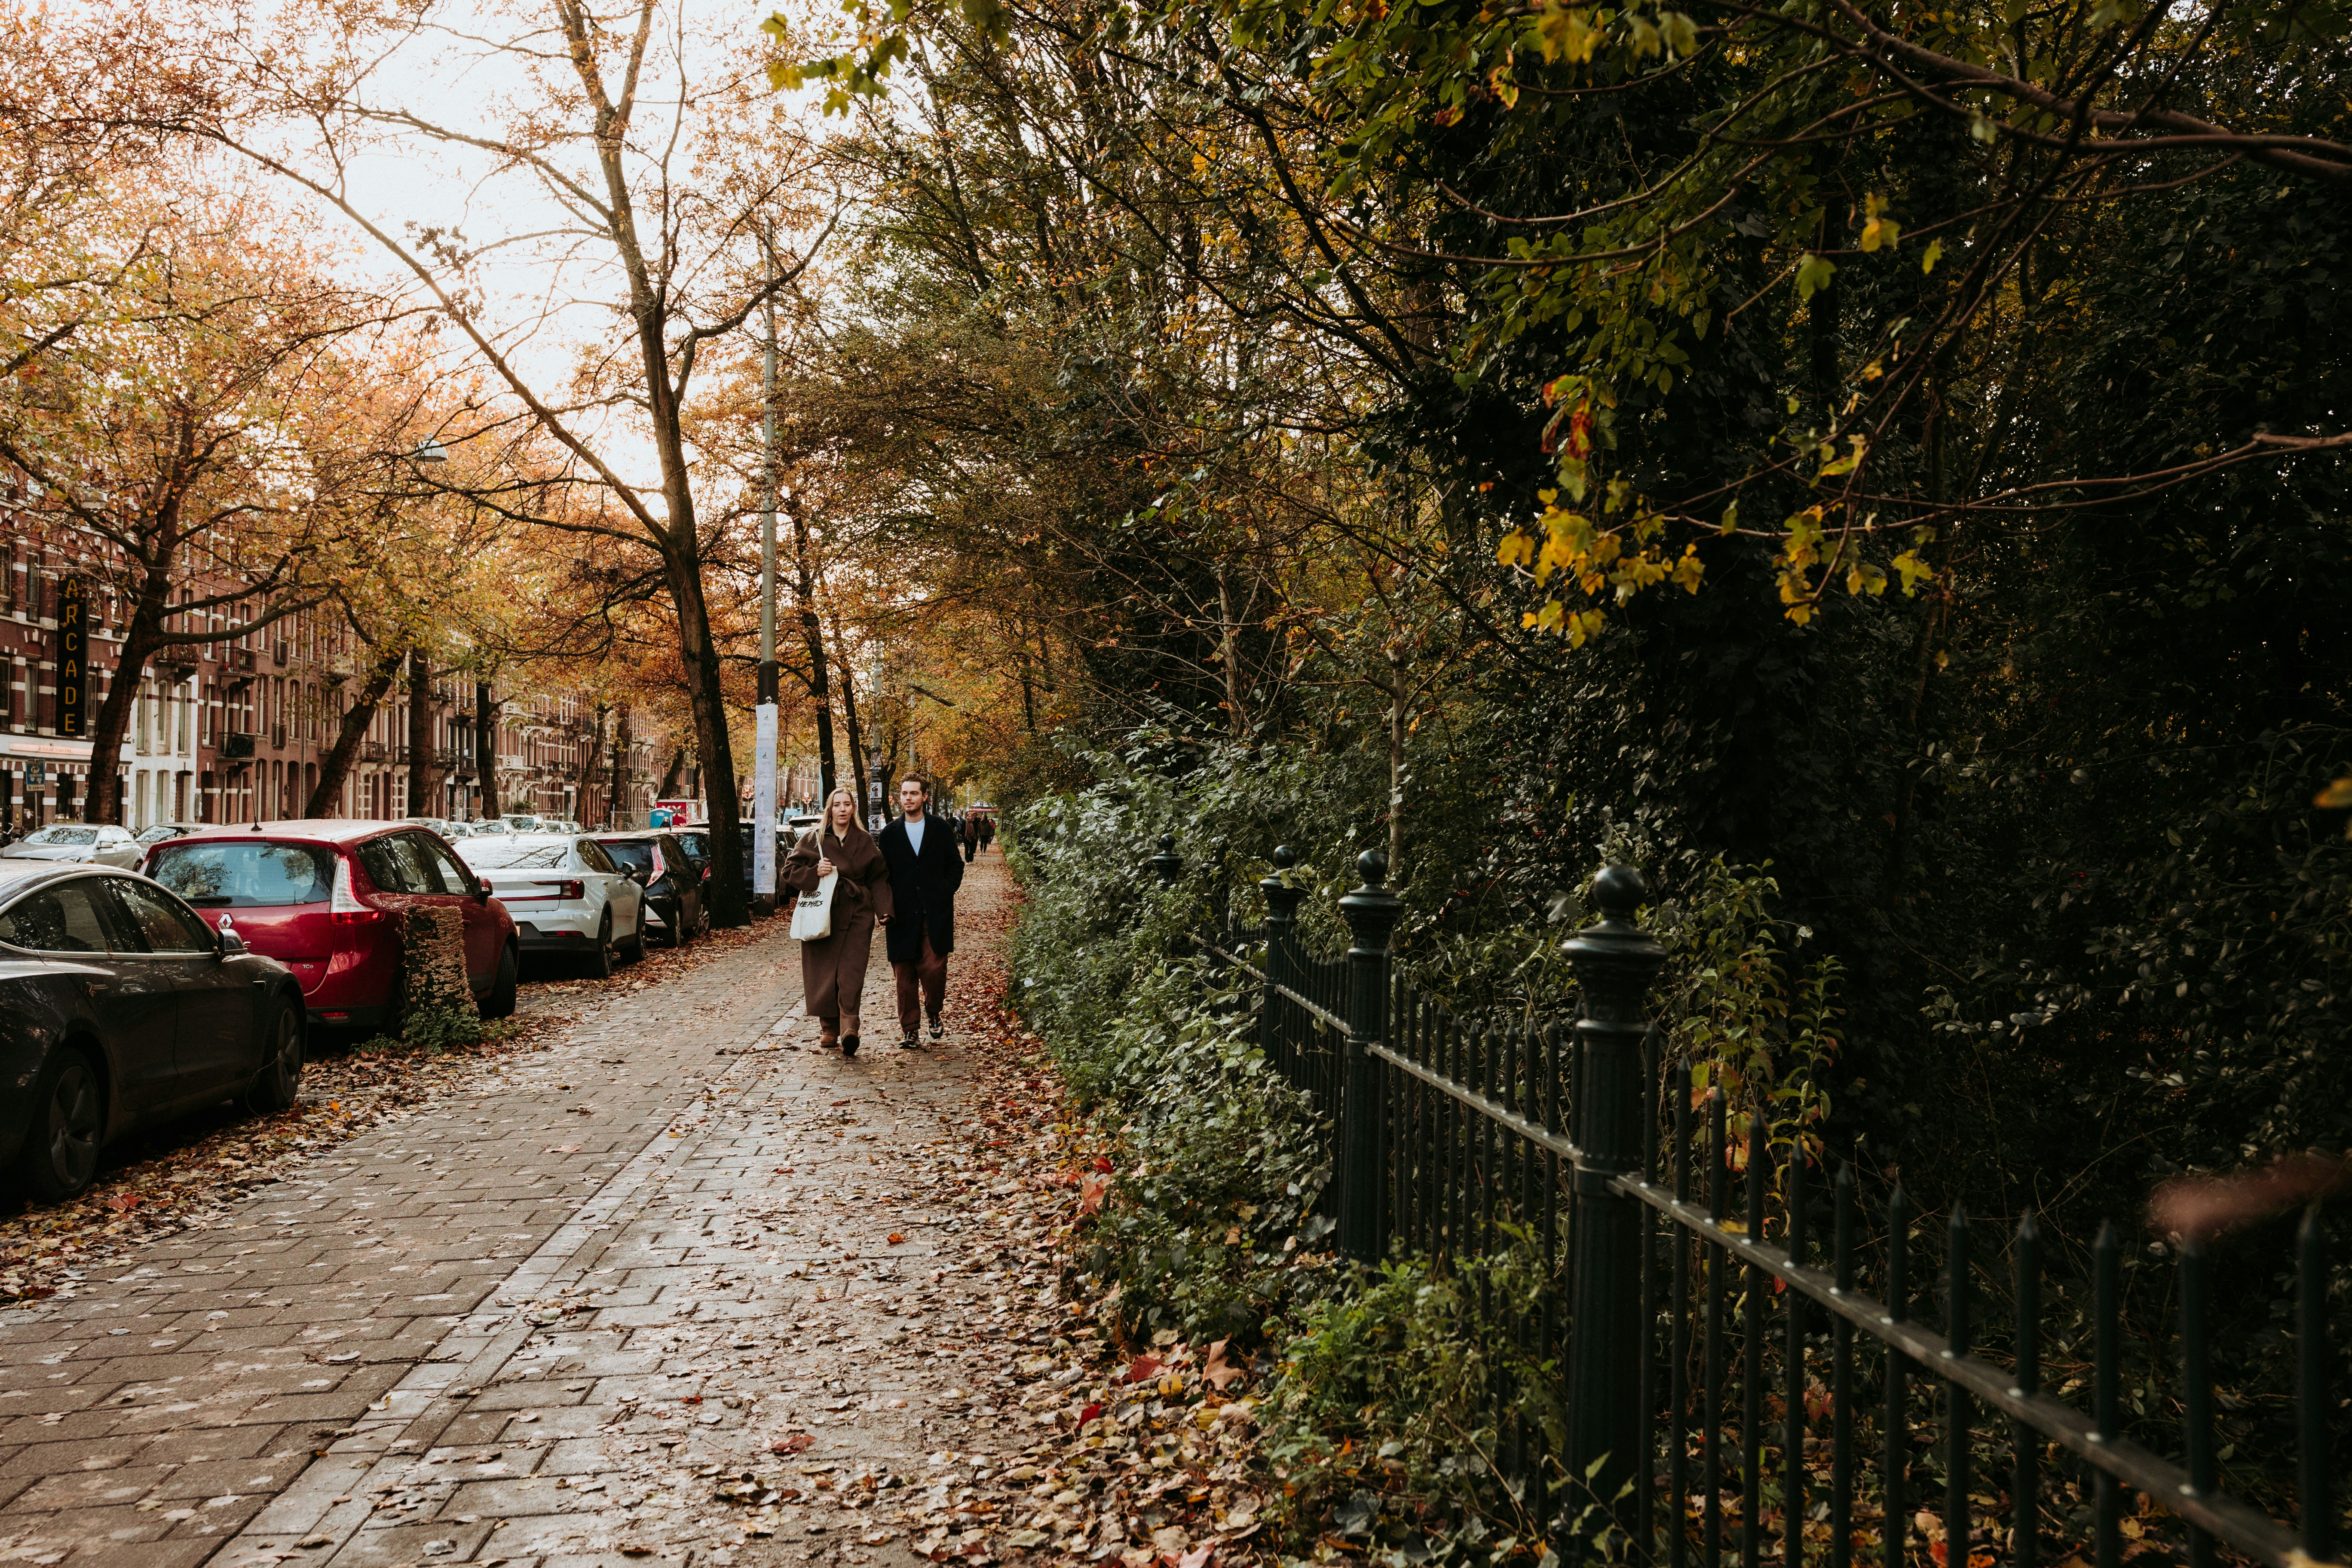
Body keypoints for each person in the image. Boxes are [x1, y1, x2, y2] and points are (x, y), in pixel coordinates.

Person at [782, 786, 891, 1058]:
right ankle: (829, 1027)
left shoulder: (864, 840)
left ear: (853, 809)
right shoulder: (813, 838)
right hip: (823, 912)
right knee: (824, 972)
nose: (842, 809)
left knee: (852, 972)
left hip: (857, 913)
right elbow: (789, 871)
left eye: (847, 804)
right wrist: (814, 872)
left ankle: (850, 1027)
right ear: (829, 809)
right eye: (837, 805)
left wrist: (884, 909)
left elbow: (879, 876)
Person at [876, 773, 965, 1047]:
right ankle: (910, 1029)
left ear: (925, 797)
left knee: (934, 968)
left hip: (934, 912)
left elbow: (955, 866)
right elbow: (882, 875)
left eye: (914, 793)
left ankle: (934, 1011)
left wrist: (943, 892)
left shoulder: (940, 829)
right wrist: (885, 907)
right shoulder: (890, 834)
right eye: (904, 794)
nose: (908, 798)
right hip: (901, 915)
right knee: (904, 974)